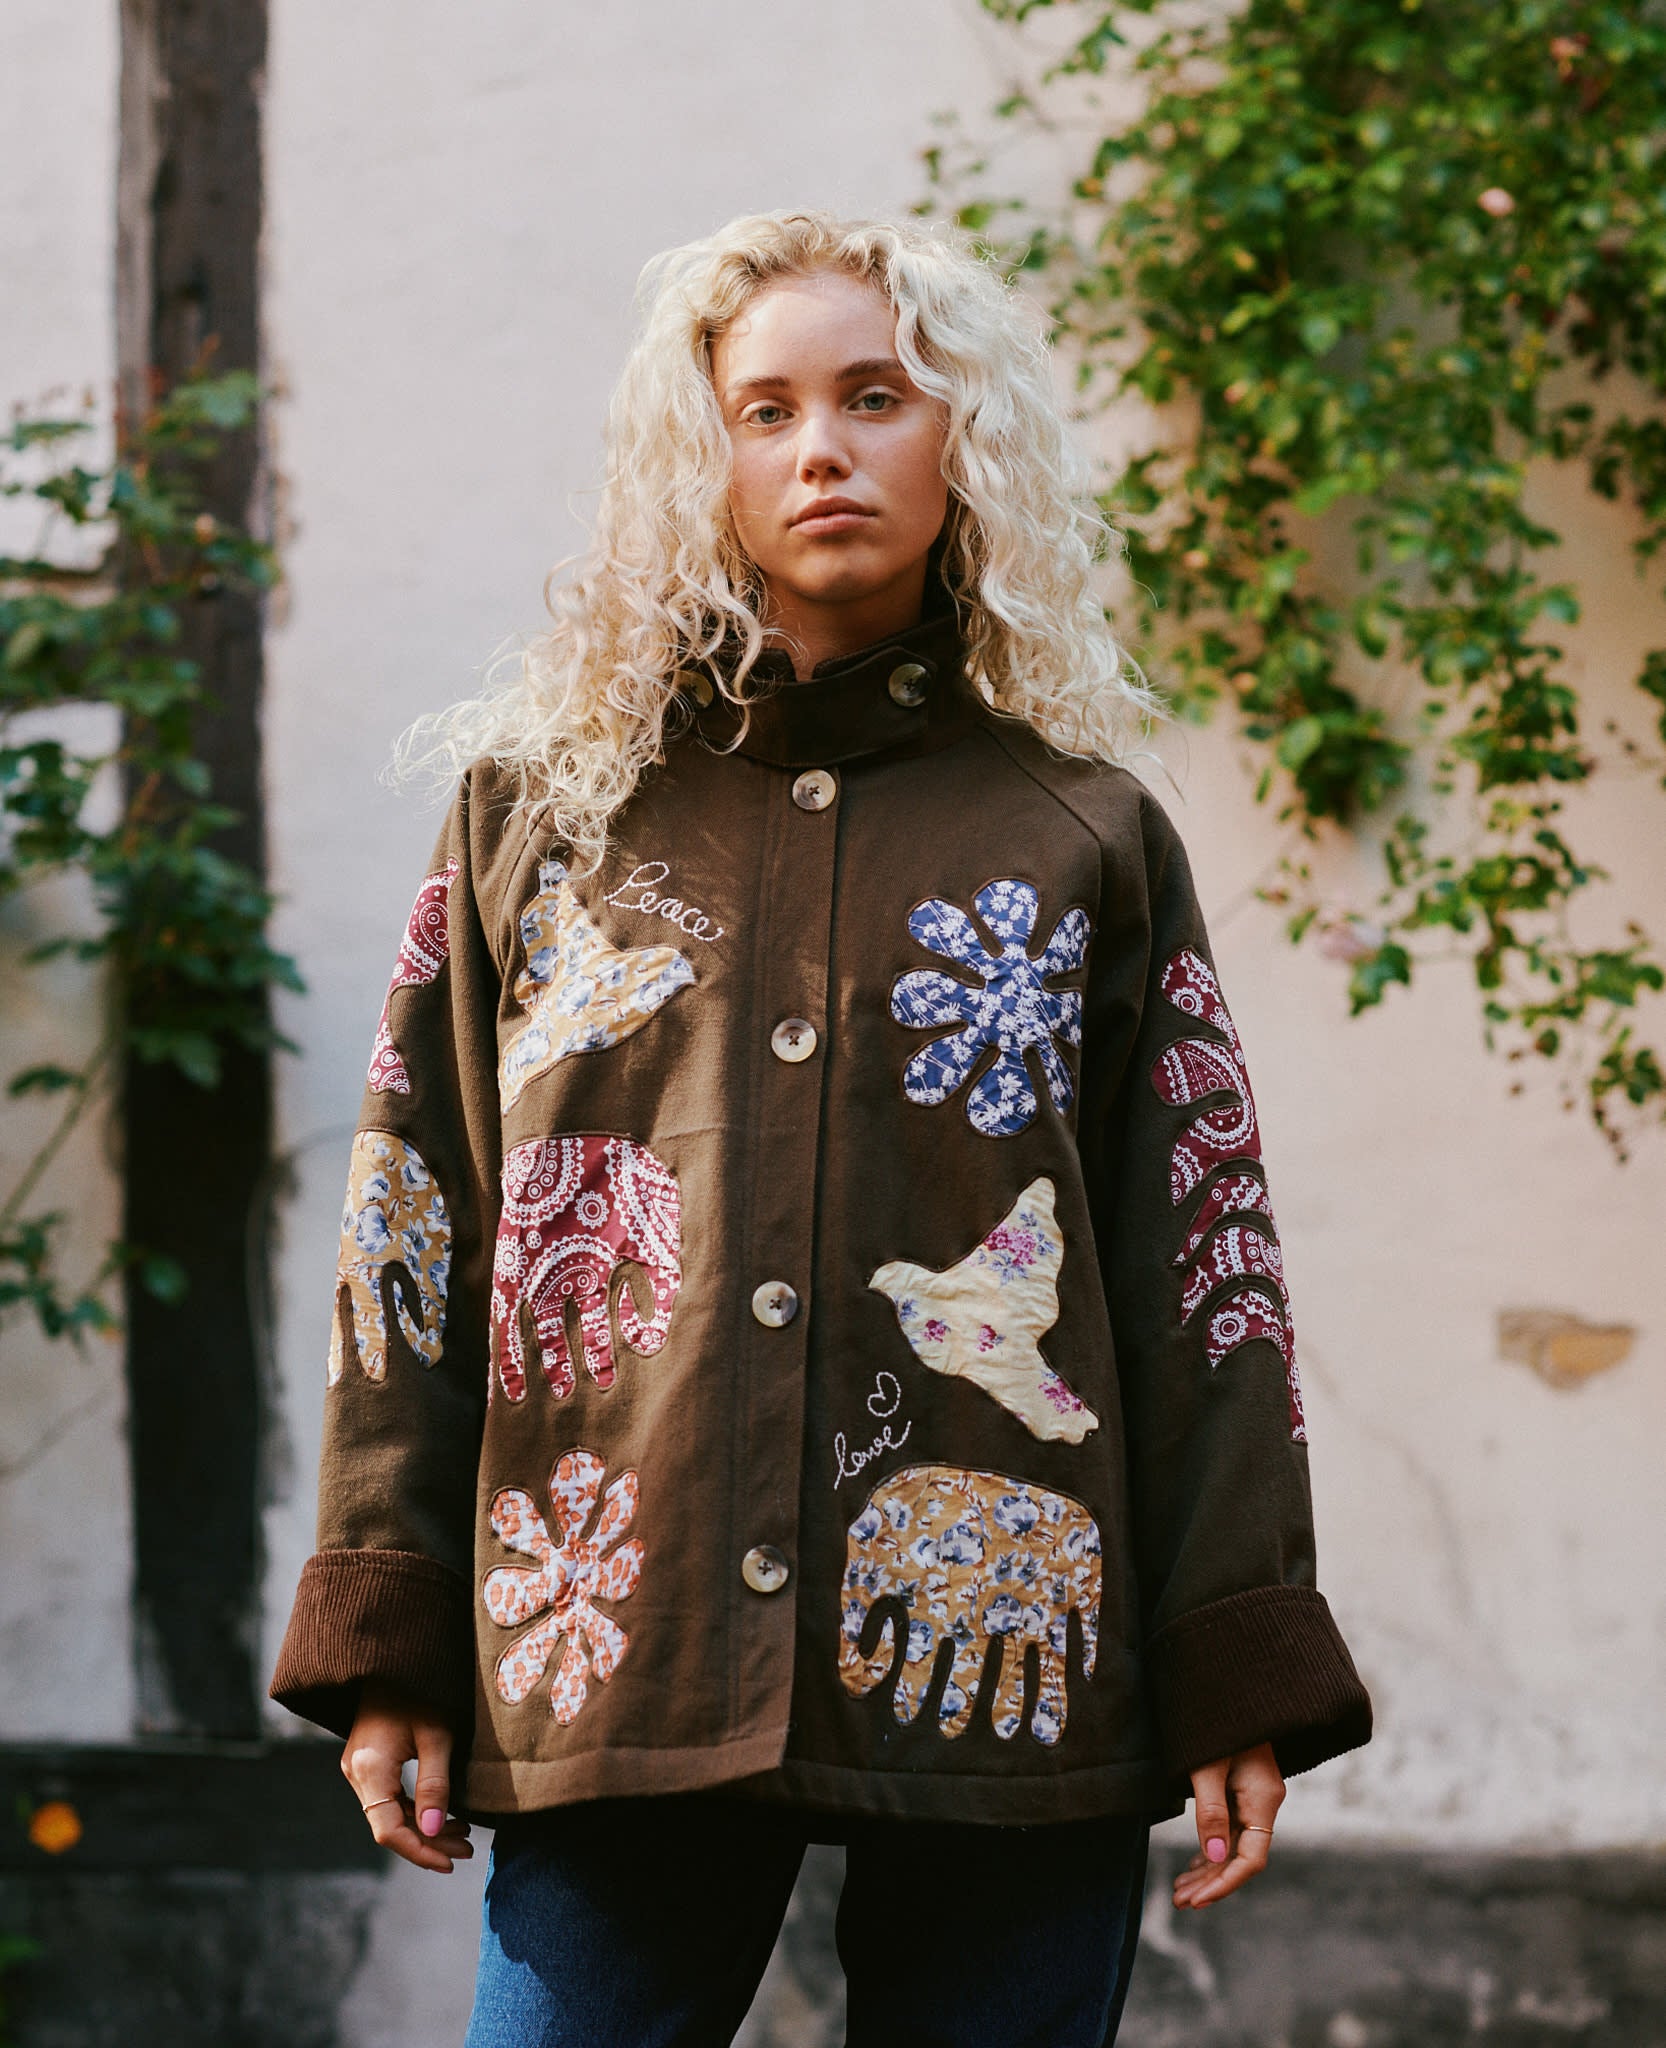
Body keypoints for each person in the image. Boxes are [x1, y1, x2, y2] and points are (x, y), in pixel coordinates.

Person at [270, 209, 1371, 2046]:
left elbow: (1199, 1267)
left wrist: (1234, 1648)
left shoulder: (1080, 836)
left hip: (1005, 1667)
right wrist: (390, 1625)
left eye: (875, 397)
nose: (821, 451)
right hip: (615, 1641)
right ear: (694, 460)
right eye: (763, 410)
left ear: (963, 441)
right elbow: (416, 1217)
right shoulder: (538, 822)